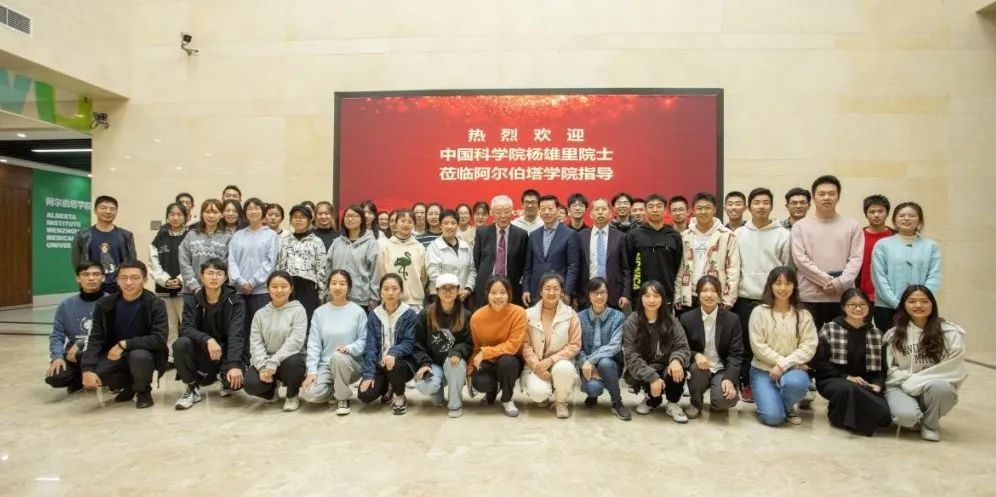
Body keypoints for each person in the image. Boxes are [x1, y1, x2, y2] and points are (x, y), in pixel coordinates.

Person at [80, 261, 168, 409]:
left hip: (144, 353)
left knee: (139, 356)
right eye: (123, 278)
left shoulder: (155, 303)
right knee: (95, 371)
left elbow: (159, 339)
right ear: (117, 280)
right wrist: (87, 369)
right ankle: (129, 386)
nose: (128, 282)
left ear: (145, 280)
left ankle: (143, 391)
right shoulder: (105, 304)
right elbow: (95, 338)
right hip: (114, 354)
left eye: (135, 277)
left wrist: (125, 344)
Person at [884, 285, 966, 442]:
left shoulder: (950, 333)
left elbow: (952, 368)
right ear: (904, 305)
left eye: (924, 301)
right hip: (901, 385)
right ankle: (916, 418)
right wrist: (909, 380)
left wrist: (919, 380)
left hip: (932, 386)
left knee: (942, 389)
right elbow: (890, 368)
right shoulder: (893, 335)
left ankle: (930, 425)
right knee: (906, 418)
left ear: (932, 304)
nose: (918, 305)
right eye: (912, 301)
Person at [732, 187, 790, 403]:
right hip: (745, 297)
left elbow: (787, 269)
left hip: (773, 299)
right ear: (749, 207)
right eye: (756, 203)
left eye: (765, 202)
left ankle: (773, 381)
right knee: (746, 344)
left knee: (771, 342)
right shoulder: (738, 234)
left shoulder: (783, 235)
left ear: (771, 206)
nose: (761, 206)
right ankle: (746, 383)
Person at [813, 288, 891, 436]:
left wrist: (878, 384)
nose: (858, 308)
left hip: (865, 384)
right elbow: (820, 363)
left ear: (869, 307)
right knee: (849, 388)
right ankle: (845, 418)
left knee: (885, 414)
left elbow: (882, 369)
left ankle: (839, 412)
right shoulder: (830, 329)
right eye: (852, 305)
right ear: (843, 307)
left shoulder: (876, 334)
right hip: (833, 379)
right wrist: (847, 377)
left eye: (862, 304)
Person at [172, 258, 247, 410]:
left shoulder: (236, 301)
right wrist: (207, 339)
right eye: (210, 273)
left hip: (226, 352)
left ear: (225, 278)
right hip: (204, 350)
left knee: (235, 384)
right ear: (201, 276)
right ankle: (192, 388)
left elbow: (236, 334)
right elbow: (185, 328)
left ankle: (222, 377)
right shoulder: (192, 300)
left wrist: (234, 364)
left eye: (219, 274)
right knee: (180, 344)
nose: (214, 277)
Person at [748, 266, 818, 426]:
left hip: (792, 371)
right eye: (778, 283)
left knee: (796, 383)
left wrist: (783, 365)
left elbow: (809, 347)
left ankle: (787, 405)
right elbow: (758, 346)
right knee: (773, 418)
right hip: (763, 370)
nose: (782, 288)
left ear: (794, 286)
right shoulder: (759, 312)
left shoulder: (804, 315)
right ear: (770, 286)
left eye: (788, 283)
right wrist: (785, 363)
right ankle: (771, 402)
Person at [791, 175, 863, 329]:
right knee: (808, 339)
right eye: (822, 194)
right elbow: (800, 260)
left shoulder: (852, 225)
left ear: (838, 197)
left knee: (842, 340)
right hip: (809, 296)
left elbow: (856, 259)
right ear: (813, 198)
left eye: (831, 193)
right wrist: (828, 281)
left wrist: (840, 283)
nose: (826, 197)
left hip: (843, 296)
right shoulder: (800, 226)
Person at [299, 270, 368, 415]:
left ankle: (342, 398)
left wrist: (349, 348)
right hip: (326, 366)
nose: (337, 287)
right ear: (328, 286)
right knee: (308, 394)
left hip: (351, 364)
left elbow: (364, 340)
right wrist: (312, 371)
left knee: (338, 357)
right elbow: (314, 344)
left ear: (349, 287)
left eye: (342, 284)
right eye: (334, 283)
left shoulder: (358, 312)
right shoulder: (319, 313)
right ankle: (335, 389)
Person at [623, 280, 691, 423]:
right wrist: (652, 377)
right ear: (641, 298)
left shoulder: (671, 321)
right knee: (646, 377)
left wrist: (676, 360)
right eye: (647, 296)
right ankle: (651, 399)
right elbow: (631, 355)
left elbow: (682, 346)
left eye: (656, 296)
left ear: (663, 298)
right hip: (646, 367)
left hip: (666, 366)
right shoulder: (632, 321)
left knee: (677, 368)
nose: (651, 300)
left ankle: (673, 403)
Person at [679, 275, 743, 418]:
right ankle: (696, 403)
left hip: (722, 369)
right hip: (700, 368)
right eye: (704, 290)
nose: (709, 295)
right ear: (698, 294)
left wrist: (729, 378)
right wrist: (696, 355)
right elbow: (681, 348)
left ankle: (718, 397)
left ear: (719, 294)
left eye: (713, 291)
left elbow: (736, 354)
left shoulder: (732, 320)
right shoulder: (687, 318)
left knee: (723, 401)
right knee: (696, 369)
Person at [872, 202, 941, 333]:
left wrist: (922, 301)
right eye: (902, 215)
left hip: (920, 308)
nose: (907, 218)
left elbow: (934, 276)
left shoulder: (930, 246)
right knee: (889, 343)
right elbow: (878, 277)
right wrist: (896, 303)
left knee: (920, 342)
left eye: (912, 215)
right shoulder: (883, 245)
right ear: (894, 221)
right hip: (887, 307)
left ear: (919, 221)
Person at [244, 271, 308, 412]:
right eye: (274, 286)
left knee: (294, 363)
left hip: (289, 359)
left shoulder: (298, 310)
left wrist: (274, 361)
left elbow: (295, 342)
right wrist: (262, 366)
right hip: (266, 361)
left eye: (284, 286)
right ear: (268, 289)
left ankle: (292, 396)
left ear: (291, 288)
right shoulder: (260, 314)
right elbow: (256, 343)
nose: (279, 290)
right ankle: (271, 391)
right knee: (250, 383)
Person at [413, 273, 473, 418]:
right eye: (443, 288)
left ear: (458, 290)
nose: (448, 292)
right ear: (437, 291)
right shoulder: (425, 314)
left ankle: (455, 404)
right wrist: (424, 364)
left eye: (452, 288)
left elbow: (468, 342)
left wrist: (457, 351)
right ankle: (438, 388)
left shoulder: (466, 315)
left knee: (454, 365)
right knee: (425, 386)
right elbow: (418, 344)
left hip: (452, 362)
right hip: (433, 363)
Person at [521, 273, 581, 419]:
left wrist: (551, 360)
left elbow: (574, 345)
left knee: (564, 369)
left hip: (560, 362)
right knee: (538, 394)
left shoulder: (571, 314)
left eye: (556, 289)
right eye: (547, 288)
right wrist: (537, 366)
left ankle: (561, 402)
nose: (552, 292)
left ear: (562, 292)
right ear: (540, 291)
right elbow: (525, 344)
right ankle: (546, 392)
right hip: (537, 363)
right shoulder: (528, 314)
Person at [358, 274, 418, 414]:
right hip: (381, 365)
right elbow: (371, 347)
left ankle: (400, 396)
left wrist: (393, 352)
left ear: (401, 291)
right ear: (380, 292)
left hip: (402, 365)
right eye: (386, 289)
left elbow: (409, 342)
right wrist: (369, 374)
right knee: (365, 395)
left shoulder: (409, 314)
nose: (390, 292)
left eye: (394, 288)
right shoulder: (374, 315)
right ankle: (388, 385)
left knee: (394, 364)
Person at [469, 275, 526, 417]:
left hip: (510, 360)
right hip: (487, 361)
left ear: (509, 293)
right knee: (480, 382)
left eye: (502, 292)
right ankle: (492, 391)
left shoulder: (519, 313)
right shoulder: (477, 317)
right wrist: (470, 367)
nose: (498, 296)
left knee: (507, 362)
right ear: (487, 294)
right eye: (493, 292)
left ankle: (507, 398)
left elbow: (513, 346)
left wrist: (486, 352)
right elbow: (476, 347)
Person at [675, 192, 741, 314]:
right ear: (693, 211)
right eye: (699, 208)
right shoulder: (685, 236)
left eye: (707, 208)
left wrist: (728, 299)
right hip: (689, 296)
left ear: (714, 209)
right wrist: (678, 295)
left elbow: (733, 269)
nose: (703, 211)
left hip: (715, 296)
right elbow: (680, 268)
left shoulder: (727, 236)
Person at [45, 261, 105, 394]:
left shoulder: (111, 302)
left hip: (100, 354)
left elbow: (113, 335)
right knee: (56, 377)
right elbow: (57, 335)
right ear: (78, 278)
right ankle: (78, 377)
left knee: (113, 376)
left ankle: (92, 374)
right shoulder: (66, 305)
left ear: (103, 277)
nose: (91, 278)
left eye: (96, 274)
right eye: (85, 274)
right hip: (74, 356)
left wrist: (81, 343)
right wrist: (57, 356)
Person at [577, 277, 631, 420]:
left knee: (605, 362)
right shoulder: (579, 317)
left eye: (602, 292)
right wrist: (584, 363)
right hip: (586, 367)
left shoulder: (618, 316)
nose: (599, 296)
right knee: (594, 389)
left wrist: (591, 361)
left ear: (608, 294)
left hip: (611, 365)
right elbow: (577, 346)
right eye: (595, 293)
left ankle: (617, 402)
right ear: (588, 294)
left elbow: (615, 346)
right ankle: (591, 393)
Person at [229, 197, 279, 339]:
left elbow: (270, 262)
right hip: (240, 291)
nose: (253, 211)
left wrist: (252, 282)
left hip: (261, 291)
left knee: (261, 330)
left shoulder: (271, 235)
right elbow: (231, 261)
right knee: (240, 330)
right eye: (249, 208)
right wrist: (240, 282)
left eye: (256, 208)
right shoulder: (238, 235)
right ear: (245, 213)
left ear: (262, 211)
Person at [522, 195, 582, 306]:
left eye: (550, 209)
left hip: (559, 292)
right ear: (539, 211)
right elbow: (528, 266)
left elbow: (573, 267)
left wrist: (567, 292)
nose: (546, 212)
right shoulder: (533, 235)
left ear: (558, 210)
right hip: (536, 292)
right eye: (543, 209)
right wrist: (525, 289)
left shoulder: (570, 235)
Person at [71, 195, 137, 294]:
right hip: (93, 284)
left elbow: (132, 261)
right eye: (103, 208)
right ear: (95, 210)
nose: (108, 211)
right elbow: (77, 262)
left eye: (112, 209)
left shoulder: (126, 236)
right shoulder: (82, 236)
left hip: (119, 285)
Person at [627, 194, 683, 308]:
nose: (655, 210)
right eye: (651, 206)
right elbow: (629, 266)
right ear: (646, 210)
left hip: (666, 294)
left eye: (659, 206)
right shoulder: (634, 235)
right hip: (641, 294)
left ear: (665, 210)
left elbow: (677, 266)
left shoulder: (674, 235)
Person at [149, 202, 189, 364]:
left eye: (179, 214)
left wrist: (180, 279)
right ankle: (171, 358)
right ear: (167, 217)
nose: (175, 217)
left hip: (185, 289)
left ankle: (185, 357)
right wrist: (164, 280)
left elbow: (192, 262)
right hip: (163, 289)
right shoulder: (160, 236)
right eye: (172, 214)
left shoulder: (190, 236)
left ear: (185, 217)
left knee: (187, 324)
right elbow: (153, 263)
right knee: (170, 326)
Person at [472, 195, 529, 308]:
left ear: (512, 212)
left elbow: (524, 264)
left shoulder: (521, 234)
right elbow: (477, 260)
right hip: (486, 287)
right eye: (499, 212)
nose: (503, 216)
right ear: (492, 213)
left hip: (511, 288)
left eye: (507, 211)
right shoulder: (482, 233)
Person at [278, 204, 328, 321]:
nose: (298, 220)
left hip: (308, 288)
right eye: (295, 217)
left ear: (309, 220)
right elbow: (280, 265)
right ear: (291, 220)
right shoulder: (284, 241)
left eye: (302, 217)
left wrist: (322, 294)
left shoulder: (317, 241)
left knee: (307, 320)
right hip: (288, 287)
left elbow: (322, 268)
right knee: (288, 321)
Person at [579, 198, 632, 310]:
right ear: (591, 215)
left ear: (610, 213)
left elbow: (626, 268)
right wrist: (576, 295)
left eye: (603, 209)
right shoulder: (581, 236)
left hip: (614, 294)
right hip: (587, 294)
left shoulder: (620, 237)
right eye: (597, 209)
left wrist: (626, 294)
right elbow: (576, 267)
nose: (600, 212)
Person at [328, 204, 380, 311]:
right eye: (347, 216)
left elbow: (375, 272)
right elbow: (327, 268)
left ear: (362, 220)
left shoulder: (371, 243)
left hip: (361, 300)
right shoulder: (337, 242)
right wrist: (326, 293)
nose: (350, 219)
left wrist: (374, 298)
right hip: (337, 297)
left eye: (354, 216)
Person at [179, 199, 232, 294]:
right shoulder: (191, 235)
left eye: (215, 212)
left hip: (217, 292)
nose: (211, 216)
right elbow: (184, 263)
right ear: (202, 214)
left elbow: (225, 266)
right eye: (207, 212)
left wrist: (212, 287)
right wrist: (195, 287)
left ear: (221, 215)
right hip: (191, 291)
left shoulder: (228, 237)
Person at [378, 209, 427, 311]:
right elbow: (381, 273)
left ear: (414, 225)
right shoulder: (386, 247)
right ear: (396, 224)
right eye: (403, 221)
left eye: (410, 222)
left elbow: (423, 276)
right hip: (391, 299)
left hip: (414, 301)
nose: (406, 224)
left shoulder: (419, 247)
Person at [858, 195, 895, 312]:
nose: (876, 215)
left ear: (887, 213)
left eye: (880, 211)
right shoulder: (858, 236)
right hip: (862, 294)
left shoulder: (896, 236)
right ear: (866, 214)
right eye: (872, 212)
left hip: (889, 294)